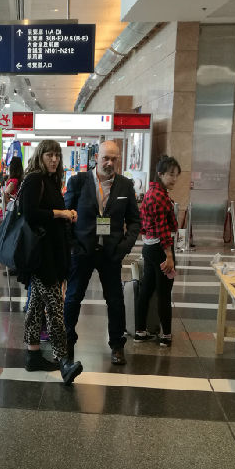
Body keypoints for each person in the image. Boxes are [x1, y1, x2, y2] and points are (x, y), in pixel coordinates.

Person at [64, 140, 141, 366]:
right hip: (82, 250)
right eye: (106, 158)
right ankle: (67, 341)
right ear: (96, 157)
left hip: (111, 253)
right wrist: (73, 245)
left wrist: (123, 247)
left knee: (115, 300)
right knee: (73, 297)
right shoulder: (78, 182)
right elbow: (66, 217)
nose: (109, 163)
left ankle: (117, 345)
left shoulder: (125, 186)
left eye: (114, 159)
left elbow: (134, 221)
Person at [20, 140, 83, 385]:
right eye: (49, 154)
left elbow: (50, 213)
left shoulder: (51, 181)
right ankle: (64, 360)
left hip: (50, 254)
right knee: (56, 307)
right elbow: (29, 213)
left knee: (36, 306)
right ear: (40, 156)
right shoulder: (35, 179)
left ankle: (32, 355)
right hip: (40, 256)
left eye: (57, 155)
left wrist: (68, 215)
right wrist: (61, 213)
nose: (54, 159)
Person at [135, 156, 181, 347]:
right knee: (164, 293)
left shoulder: (151, 192)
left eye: (176, 175)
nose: (174, 179)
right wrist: (169, 256)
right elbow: (163, 230)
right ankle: (166, 335)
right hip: (161, 249)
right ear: (160, 174)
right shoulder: (160, 196)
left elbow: (144, 225)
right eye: (171, 174)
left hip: (149, 247)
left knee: (146, 290)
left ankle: (140, 331)